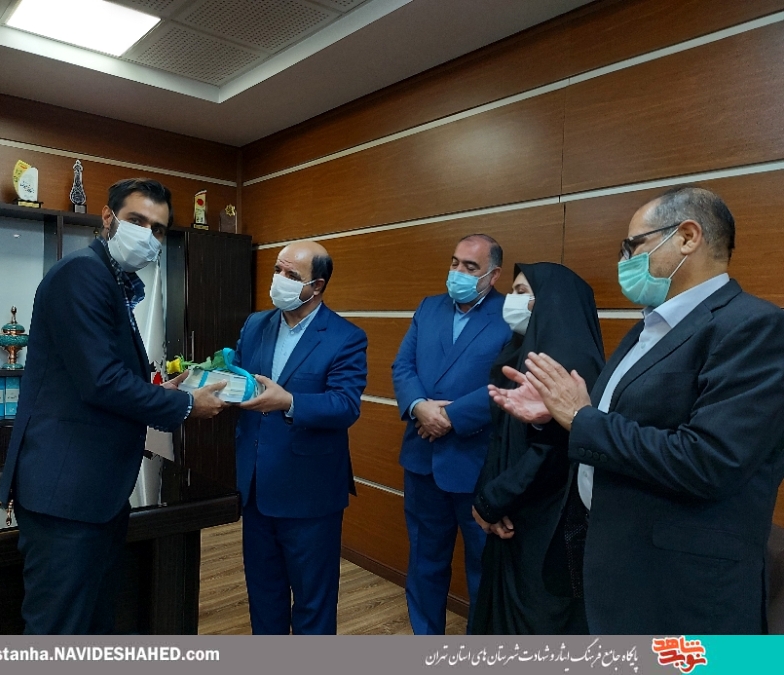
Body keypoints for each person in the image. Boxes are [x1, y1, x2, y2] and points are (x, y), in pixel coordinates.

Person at [490, 186, 784, 634]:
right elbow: (619, 425)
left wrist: (580, 418)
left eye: (633, 245)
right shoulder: (649, 326)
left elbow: (711, 461)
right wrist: (557, 417)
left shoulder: (753, 326)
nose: (624, 261)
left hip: (681, 588)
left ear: (687, 237)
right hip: (616, 563)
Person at [0, 178, 227, 634]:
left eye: (158, 229)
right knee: (58, 633)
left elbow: (102, 372)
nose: (147, 235)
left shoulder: (111, 280)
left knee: (93, 623)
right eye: (137, 220)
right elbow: (101, 382)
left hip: (94, 493)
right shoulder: (82, 274)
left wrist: (162, 388)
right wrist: (183, 404)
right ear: (107, 218)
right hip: (67, 495)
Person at [232, 240, 367, 635]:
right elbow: (239, 379)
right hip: (256, 487)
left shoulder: (345, 337)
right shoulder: (255, 324)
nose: (279, 279)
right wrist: (206, 381)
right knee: (264, 596)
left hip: (310, 495)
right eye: (278, 269)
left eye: (291, 275)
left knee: (313, 602)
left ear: (317, 285)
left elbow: (345, 405)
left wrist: (289, 401)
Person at [470, 263, 604, 635]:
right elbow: (501, 440)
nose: (510, 301)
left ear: (552, 302)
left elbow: (553, 453)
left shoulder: (570, 364)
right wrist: (489, 500)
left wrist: (494, 500)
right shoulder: (519, 352)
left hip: (546, 523)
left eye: (521, 292)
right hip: (511, 513)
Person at [392, 234, 512, 634]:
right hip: (422, 461)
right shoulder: (429, 307)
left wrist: (451, 416)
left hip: (476, 462)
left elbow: (510, 381)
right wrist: (419, 407)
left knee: (482, 567)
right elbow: (403, 367)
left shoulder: (511, 315)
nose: (458, 272)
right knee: (424, 563)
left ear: (493, 274)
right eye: (455, 262)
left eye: (470, 267)